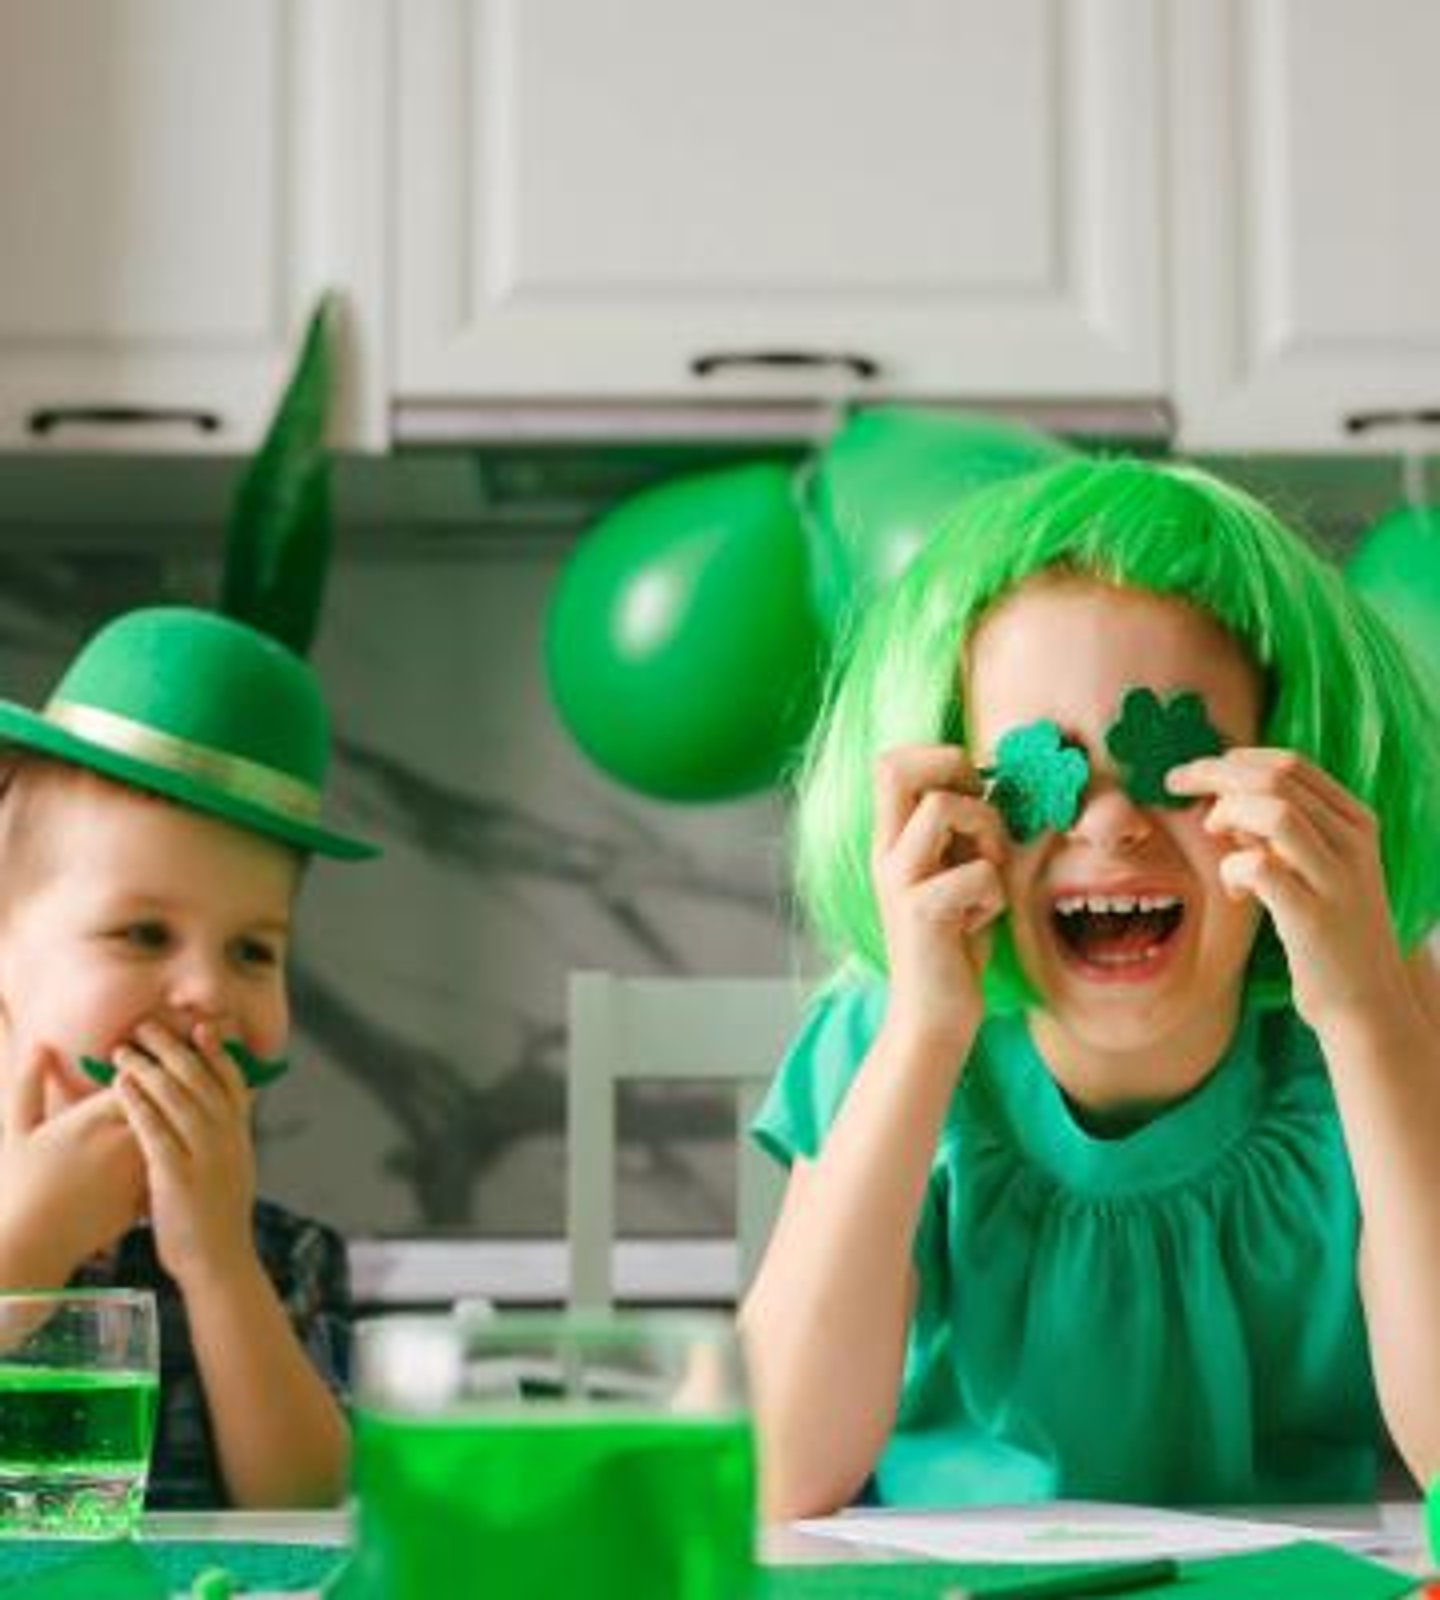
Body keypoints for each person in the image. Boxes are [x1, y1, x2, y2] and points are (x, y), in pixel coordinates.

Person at [740, 456, 1440, 1516]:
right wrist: (925, 1031)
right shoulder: (881, 1038)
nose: (1109, 823)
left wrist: (1367, 1013)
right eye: (1038, 769)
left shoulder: (1376, 1024)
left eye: (1174, 760)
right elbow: (773, 1475)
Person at [0, 605, 379, 1509]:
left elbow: (311, 1517)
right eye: (143, 932)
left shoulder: (284, 1258)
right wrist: (27, 1242)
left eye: (254, 951)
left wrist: (216, 1261)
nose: (209, 992)